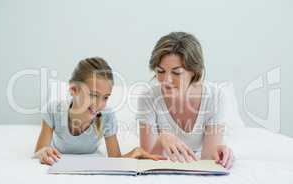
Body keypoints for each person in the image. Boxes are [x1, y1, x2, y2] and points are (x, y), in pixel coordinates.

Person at [33, 57, 165, 165]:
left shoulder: (107, 116)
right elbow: (39, 151)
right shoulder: (53, 111)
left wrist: (135, 152)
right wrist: (43, 152)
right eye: (93, 95)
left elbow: (115, 158)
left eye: (105, 97)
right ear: (74, 90)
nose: (99, 104)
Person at [137, 32, 234, 169]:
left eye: (176, 73)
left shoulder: (214, 97)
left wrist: (220, 155)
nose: (166, 80)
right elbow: (146, 161)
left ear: (194, 71)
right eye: (160, 71)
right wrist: (161, 140)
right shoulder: (148, 98)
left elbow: (206, 161)